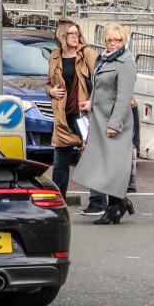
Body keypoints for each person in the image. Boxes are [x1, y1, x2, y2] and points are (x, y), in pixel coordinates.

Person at [75, 22, 139, 224]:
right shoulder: (104, 59)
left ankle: (115, 206)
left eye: (117, 40)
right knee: (103, 163)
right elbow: (99, 86)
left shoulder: (126, 62)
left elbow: (123, 97)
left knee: (112, 166)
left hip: (114, 120)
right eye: (109, 40)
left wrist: (114, 124)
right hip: (100, 117)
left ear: (124, 40)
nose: (113, 44)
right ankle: (119, 203)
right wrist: (91, 102)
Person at [46, 18, 97, 202]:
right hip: (62, 115)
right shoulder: (54, 56)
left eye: (77, 33)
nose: (75, 37)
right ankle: (58, 200)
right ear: (62, 35)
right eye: (71, 34)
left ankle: (97, 202)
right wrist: (51, 90)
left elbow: (101, 83)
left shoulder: (88, 54)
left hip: (82, 114)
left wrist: (93, 101)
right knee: (60, 163)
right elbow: (49, 83)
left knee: (90, 159)